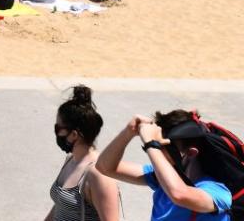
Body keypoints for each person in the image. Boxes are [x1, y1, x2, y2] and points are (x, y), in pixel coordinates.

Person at [96, 110, 232, 220]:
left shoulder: (217, 191)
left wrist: (151, 144)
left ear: (190, 153)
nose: (158, 154)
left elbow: (180, 194)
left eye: (163, 148)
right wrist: (128, 132)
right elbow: (105, 167)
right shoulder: (161, 177)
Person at [46, 86, 121, 221]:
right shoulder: (71, 160)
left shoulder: (98, 174)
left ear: (74, 134)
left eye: (58, 128)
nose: (56, 132)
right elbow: (60, 205)